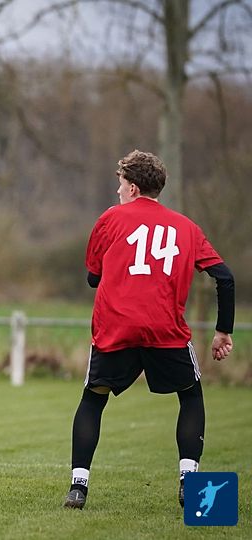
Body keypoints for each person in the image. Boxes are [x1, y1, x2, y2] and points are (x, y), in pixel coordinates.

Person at [63, 150, 235, 510]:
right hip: (164, 330)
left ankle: (78, 487)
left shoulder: (111, 219)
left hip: (116, 328)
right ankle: (190, 483)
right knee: (191, 397)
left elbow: (93, 278)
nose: (118, 191)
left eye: (121, 184)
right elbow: (225, 277)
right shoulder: (187, 228)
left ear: (134, 188)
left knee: (93, 399)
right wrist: (223, 331)